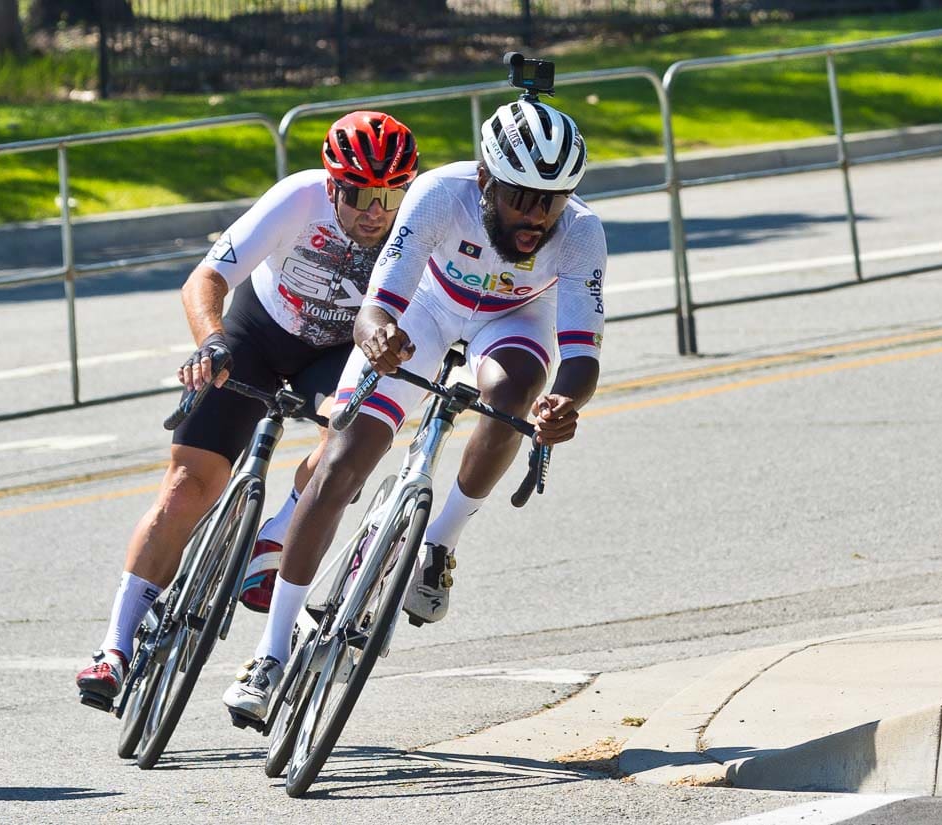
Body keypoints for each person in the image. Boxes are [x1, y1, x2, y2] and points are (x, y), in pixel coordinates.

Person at [224, 97, 607, 721]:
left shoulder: (582, 232)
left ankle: (439, 540)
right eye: (521, 198)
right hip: (425, 309)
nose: (537, 216)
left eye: (553, 199)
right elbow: (381, 302)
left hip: (514, 318)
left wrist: (566, 400)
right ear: (485, 180)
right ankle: (270, 654)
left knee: (514, 392)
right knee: (340, 466)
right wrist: (376, 335)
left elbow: (581, 353)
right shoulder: (438, 194)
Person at [75, 111, 419, 708]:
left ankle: (276, 535)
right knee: (188, 484)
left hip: (341, 349)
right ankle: (115, 649)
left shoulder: (415, 224)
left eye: (391, 195)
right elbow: (205, 279)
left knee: (348, 431)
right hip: (259, 332)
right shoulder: (297, 198)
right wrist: (210, 342)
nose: (376, 211)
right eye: (362, 193)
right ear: (334, 184)